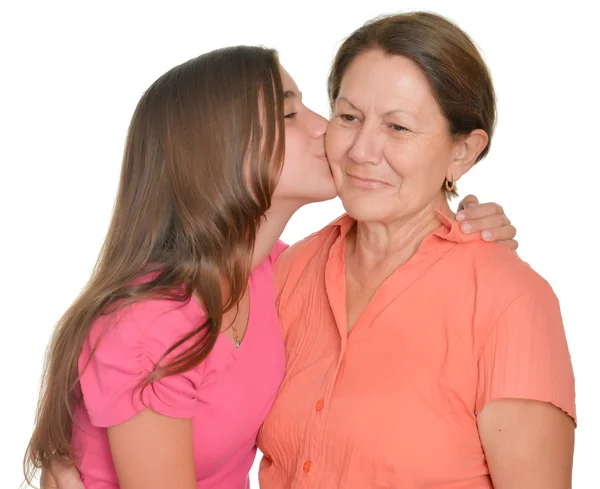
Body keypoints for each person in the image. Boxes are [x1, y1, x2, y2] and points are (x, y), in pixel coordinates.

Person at [30, 43, 518, 489]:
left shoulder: (282, 272)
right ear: (218, 151)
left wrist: (463, 226)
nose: (326, 128)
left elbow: (402, 288)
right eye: (288, 113)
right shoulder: (151, 324)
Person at [256, 12, 575, 489]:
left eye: (398, 128)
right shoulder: (288, 270)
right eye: (348, 117)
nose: (362, 150)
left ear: (462, 152)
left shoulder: (510, 302)